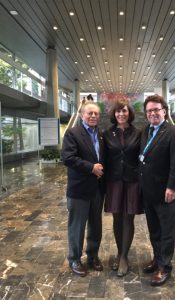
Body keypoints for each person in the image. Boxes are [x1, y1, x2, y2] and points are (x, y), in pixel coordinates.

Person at [139, 94, 175, 286]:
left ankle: (165, 267)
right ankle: (158, 259)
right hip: (148, 191)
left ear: (164, 111)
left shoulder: (174, 132)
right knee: (154, 229)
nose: (153, 113)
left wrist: (172, 187)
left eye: (156, 110)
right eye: (149, 110)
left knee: (166, 231)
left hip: (166, 192)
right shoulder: (145, 131)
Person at [61, 101, 105, 277]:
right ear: (81, 115)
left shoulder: (101, 134)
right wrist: (90, 167)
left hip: (97, 189)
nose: (93, 116)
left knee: (96, 225)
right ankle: (74, 259)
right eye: (90, 113)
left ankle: (93, 256)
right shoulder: (73, 133)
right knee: (77, 226)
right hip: (79, 189)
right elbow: (68, 157)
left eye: (96, 114)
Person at [104, 100, 142, 277]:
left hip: (132, 181)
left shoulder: (138, 133)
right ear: (114, 114)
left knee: (128, 218)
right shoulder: (107, 133)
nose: (121, 114)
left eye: (124, 111)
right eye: (118, 112)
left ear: (129, 113)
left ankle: (125, 257)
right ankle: (119, 253)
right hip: (113, 181)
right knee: (116, 218)